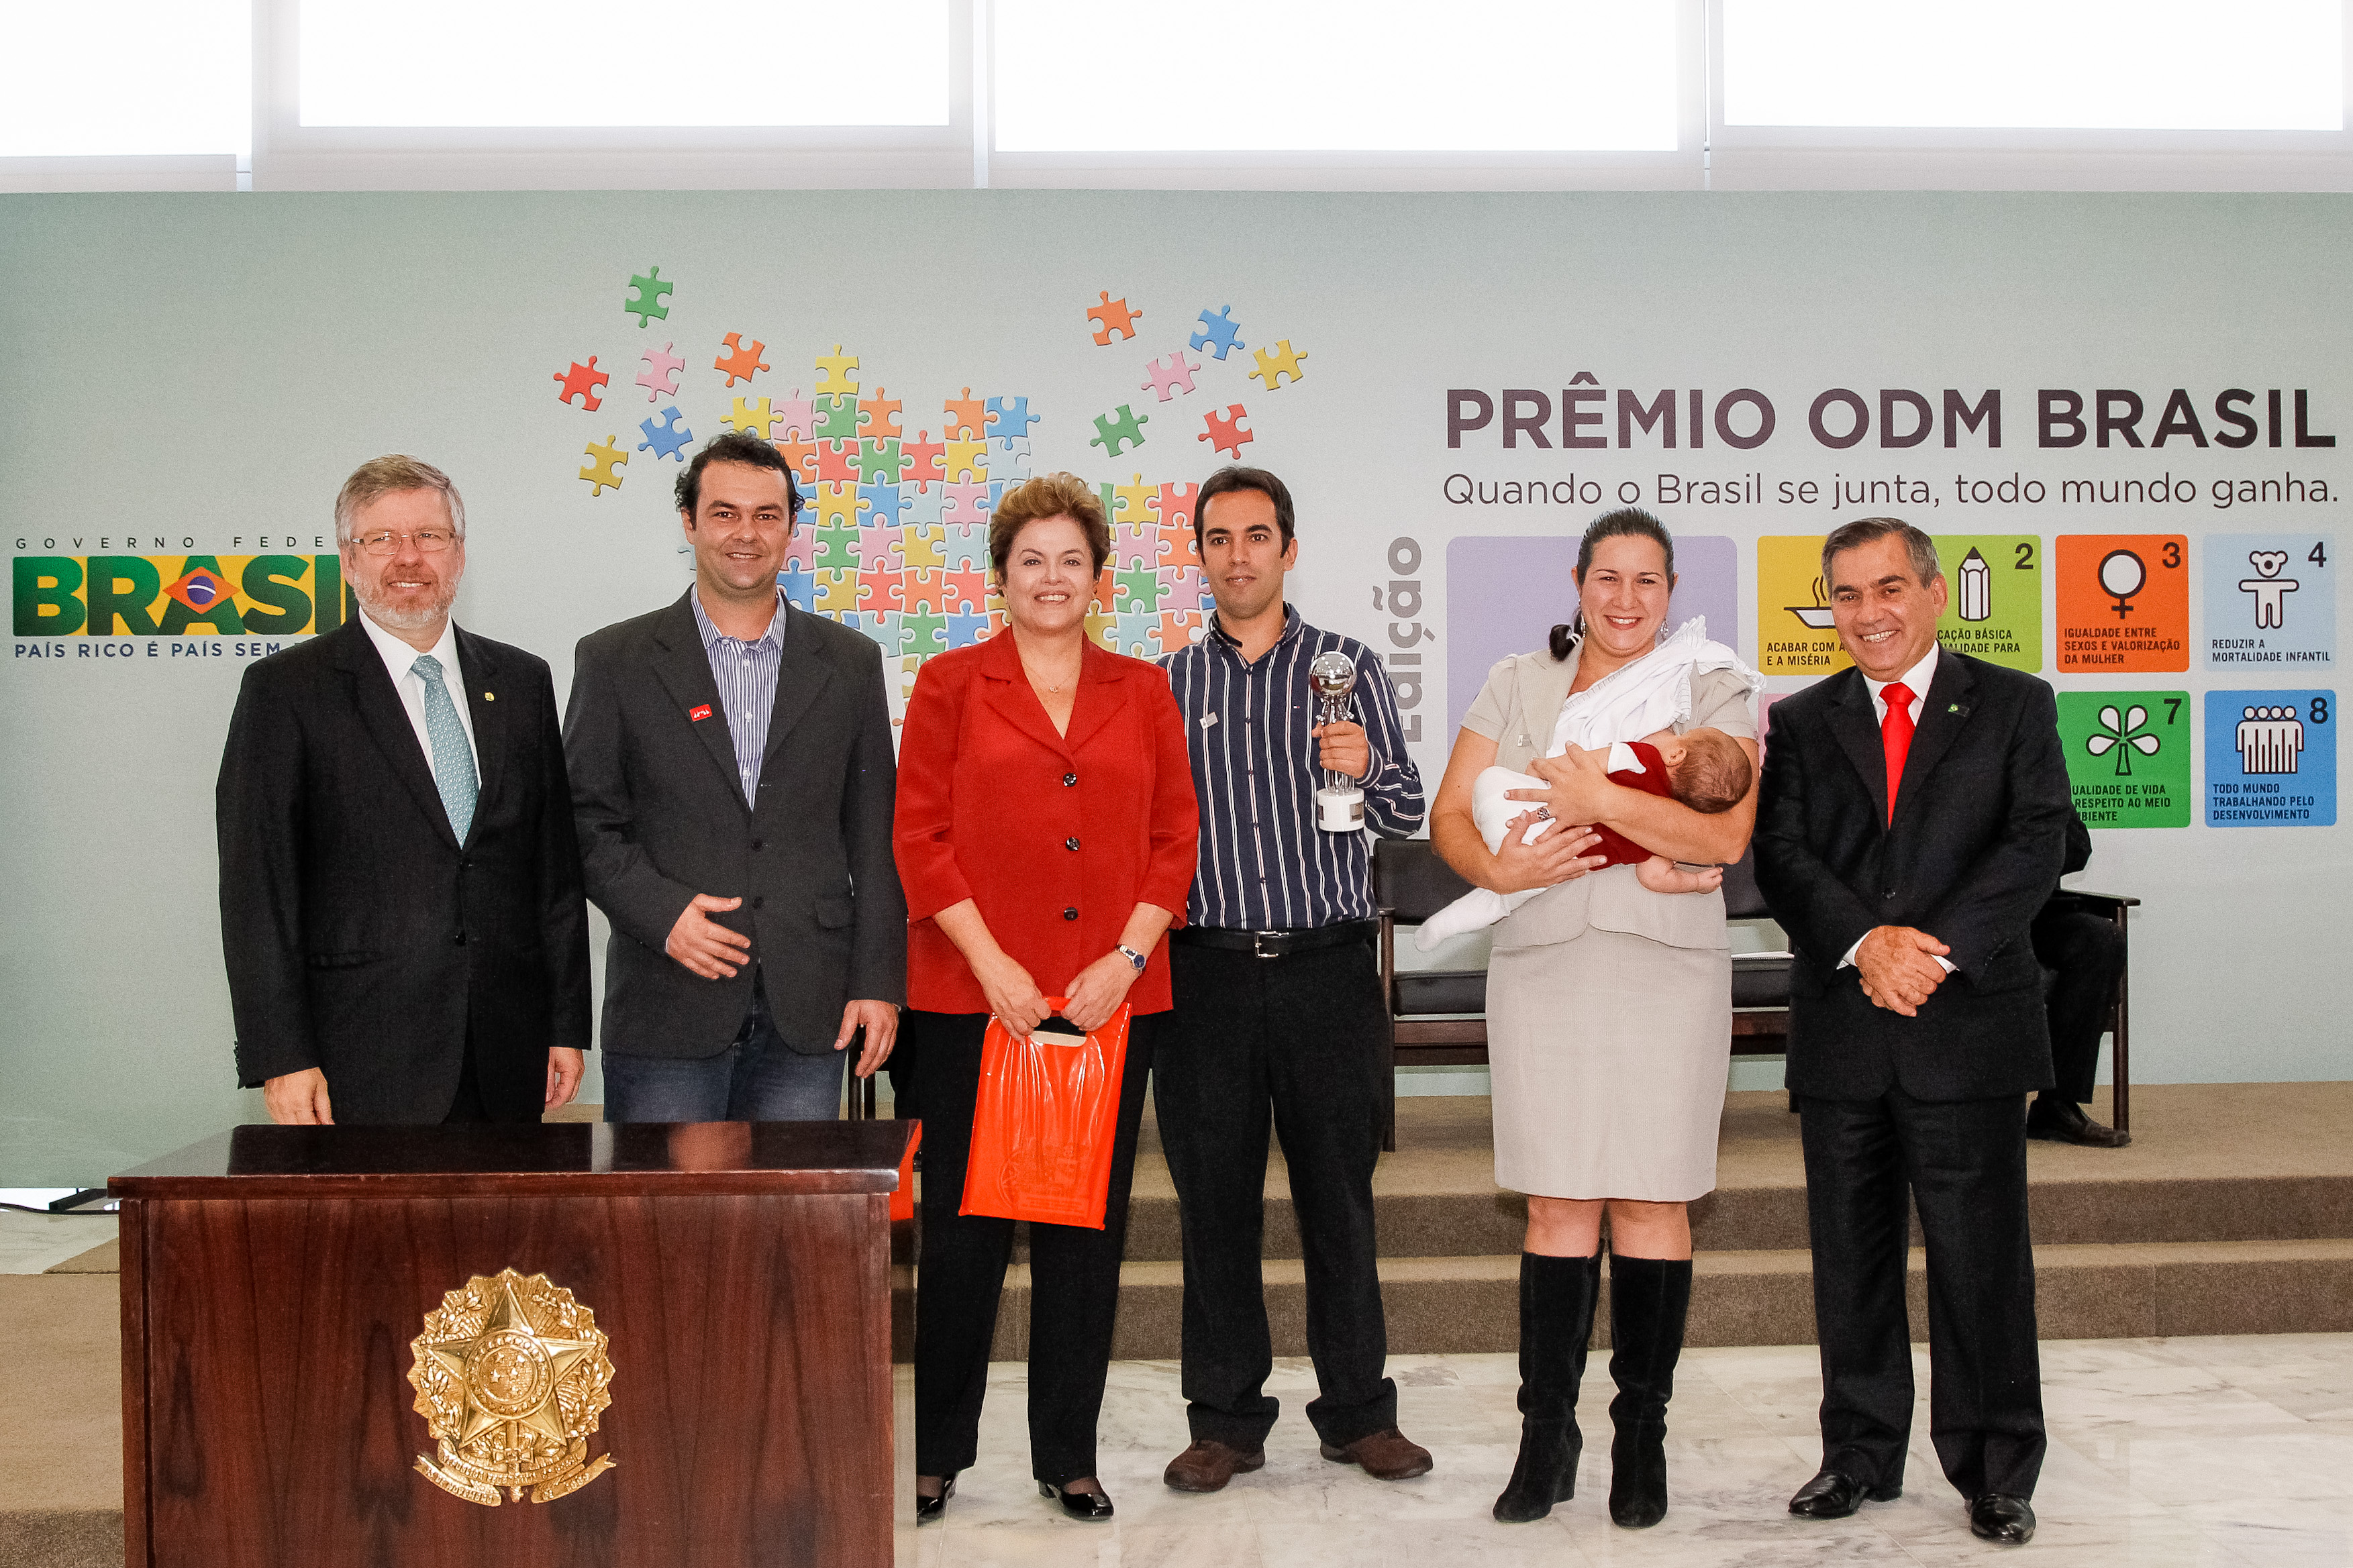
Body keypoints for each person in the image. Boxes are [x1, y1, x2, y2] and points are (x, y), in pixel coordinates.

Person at [1432, 507, 1759, 1530]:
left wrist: (1591, 794)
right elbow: (1449, 814)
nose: (1624, 599)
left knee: (1654, 1202)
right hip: (1542, 963)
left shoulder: (1716, 683)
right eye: (1606, 578)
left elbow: (1728, 826)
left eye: (1646, 582)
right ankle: (1546, 1437)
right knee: (1555, 1206)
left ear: (1670, 591)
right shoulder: (1514, 682)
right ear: (1576, 582)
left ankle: (1640, 1438)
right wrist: (1498, 866)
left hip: (1667, 968)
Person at [1753, 517, 2069, 1548]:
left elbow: (2035, 843)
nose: (1868, 614)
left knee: (1980, 1258)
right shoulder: (1799, 719)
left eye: (1888, 589)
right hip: (1846, 1023)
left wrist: (1927, 951)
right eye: (1846, 596)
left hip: (1964, 1018)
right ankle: (1856, 1452)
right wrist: (1864, 946)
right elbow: (1784, 857)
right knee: (1848, 1254)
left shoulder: (2015, 703)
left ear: (1934, 593)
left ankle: (1996, 1466)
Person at [894, 472, 1199, 1524]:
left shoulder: (1143, 692)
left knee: (1084, 1231)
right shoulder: (947, 685)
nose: (1052, 578)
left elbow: (1174, 841)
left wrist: (1124, 957)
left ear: (1099, 579)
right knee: (964, 1230)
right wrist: (992, 969)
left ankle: (1068, 1454)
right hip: (971, 999)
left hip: (1110, 997)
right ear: (1000, 577)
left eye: (1072, 560)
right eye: (1032, 560)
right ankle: (937, 1454)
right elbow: (918, 841)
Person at [1154, 466, 1432, 1496]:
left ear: (1289, 548)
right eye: (1219, 538)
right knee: (1211, 1204)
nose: (1239, 554)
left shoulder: (1349, 667)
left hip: (1326, 970)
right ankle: (1224, 1421)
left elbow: (1405, 811)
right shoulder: (1164, 686)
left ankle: (1359, 1414)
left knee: (1338, 1199)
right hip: (1204, 976)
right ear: (1200, 556)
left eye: (1257, 535)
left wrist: (1366, 764)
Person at [217, 454, 591, 1125]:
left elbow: (553, 873)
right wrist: (281, 1054)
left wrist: (564, 1025)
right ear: (348, 559)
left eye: (429, 537)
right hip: (354, 1054)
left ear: (459, 554)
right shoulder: (286, 693)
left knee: (501, 1232)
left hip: (507, 1047)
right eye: (381, 539)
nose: (408, 558)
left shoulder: (522, 681)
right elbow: (258, 889)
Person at [563, 430, 904, 1121]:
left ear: (790, 529)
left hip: (808, 1012)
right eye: (724, 513)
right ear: (689, 522)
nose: (744, 533)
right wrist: (663, 915)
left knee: (790, 1229)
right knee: (669, 1229)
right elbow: (582, 822)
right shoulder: (615, 660)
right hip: (668, 1000)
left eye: (766, 515)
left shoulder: (850, 663)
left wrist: (877, 982)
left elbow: (874, 835)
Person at [1416, 723, 1752, 947]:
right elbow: (1653, 877)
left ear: (1677, 754)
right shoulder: (1664, 838)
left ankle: (1492, 846)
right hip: (1553, 860)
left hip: (1513, 812)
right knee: (1502, 901)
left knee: (1490, 779)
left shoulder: (1642, 756)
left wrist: (1541, 774)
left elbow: (1563, 767)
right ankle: (1452, 921)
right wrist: (1694, 883)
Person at [2026, 808, 2130, 1147]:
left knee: (2101, 939)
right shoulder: (1955, 767)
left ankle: (2056, 1105)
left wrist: (2022, 846)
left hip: (2035, 912)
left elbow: (2078, 848)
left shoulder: (2037, 765)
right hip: (1971, 915)